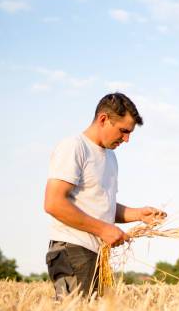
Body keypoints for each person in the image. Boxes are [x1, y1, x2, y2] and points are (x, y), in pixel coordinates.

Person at [43, 92, 166, 299]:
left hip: (97, 254)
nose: (127, 139)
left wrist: (138, 214)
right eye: (123, 131)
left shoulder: (110, 158)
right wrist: (103, 230)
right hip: (73, 250)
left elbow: (101, 205)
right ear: (103, 119)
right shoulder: (74, 147)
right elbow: (53, 203)